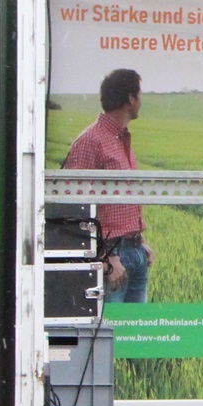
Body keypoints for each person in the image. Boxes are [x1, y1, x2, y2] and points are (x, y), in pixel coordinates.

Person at [62, 68, 152, 303]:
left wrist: (139, 244)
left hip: (133, 253)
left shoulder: (120, 139)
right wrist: (104, 258)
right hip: (113, 258)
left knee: (136, 336)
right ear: (130, 99)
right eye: (139, 95)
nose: (142, 101)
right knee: (110, 336)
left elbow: (122, 201)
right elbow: (73, 208)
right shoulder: (91, 141)